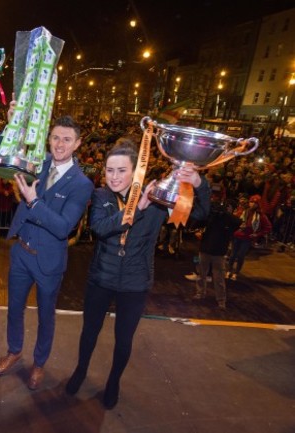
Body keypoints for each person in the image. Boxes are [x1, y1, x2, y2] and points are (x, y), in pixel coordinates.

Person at [65, 138, 210, 409]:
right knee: (89, 332)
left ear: (135, 171)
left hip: (135, 284)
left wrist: (199, 184)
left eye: (121, 170)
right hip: (101, 278)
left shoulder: (156, 198)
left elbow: (200, 215)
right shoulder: (101, 196)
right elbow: (100, 228)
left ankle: (113, 382)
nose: (114, 176)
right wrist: (135, 208)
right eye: (109, 170)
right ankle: (81, 370)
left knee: (124, 340)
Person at [0, 112, 94, 391]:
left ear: (77, 143)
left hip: (49, 262)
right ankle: (14, 351)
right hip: (21, 254)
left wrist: (34, 201)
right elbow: (4, 153)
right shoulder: (38, 162)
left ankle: (39, 363)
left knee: (45, 316)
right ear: (48, 139)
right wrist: (13, 122)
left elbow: (63, 227)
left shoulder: (82, 184)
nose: (59, 144)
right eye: (55, 138)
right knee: (14, 309)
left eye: (66, 139)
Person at [193, 198, 241, 309]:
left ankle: (221, 300)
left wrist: (223, 213)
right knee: (201, 274)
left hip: (218, 252)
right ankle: (201, 293)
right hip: (206, 249)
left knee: (219, 278)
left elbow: (238, 222)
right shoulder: (211, 217)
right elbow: (197, 222)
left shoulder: (227, 219)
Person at [227, 194, 272, 280]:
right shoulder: (244, 211)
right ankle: (228, 270)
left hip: (247, 238)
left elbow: (268, 227)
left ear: (258, 204)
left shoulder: (261, 215)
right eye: (251, 201)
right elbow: (234, 220)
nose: (252, 204)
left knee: (241, 255)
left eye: (255, 202)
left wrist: (257, 234)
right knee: (233, 255)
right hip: (237, 235)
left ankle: (236, 273)